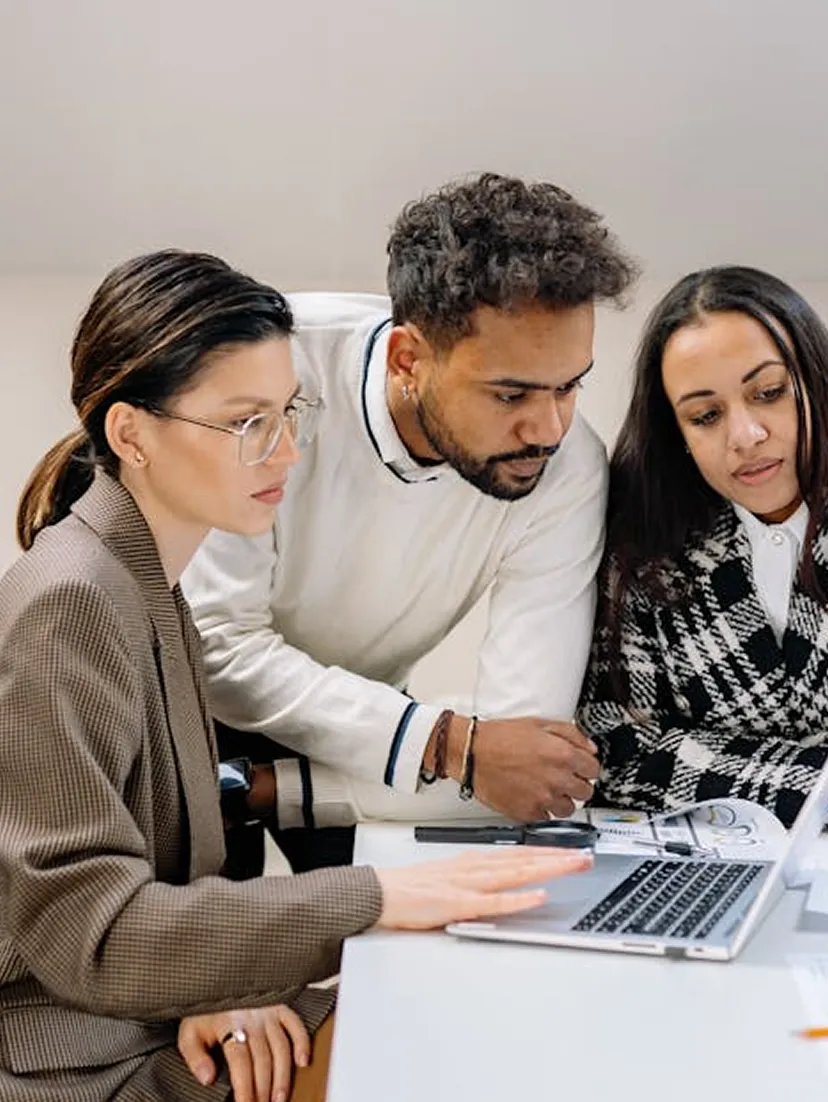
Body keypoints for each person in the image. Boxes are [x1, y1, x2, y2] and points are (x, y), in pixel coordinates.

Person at [0, 249, 593, 1102]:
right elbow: (86, 932)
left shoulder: (145, 583)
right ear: (132, 434)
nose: (287, 452)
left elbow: (157, 894)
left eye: (291, 414)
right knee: (441, 1037)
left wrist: (215, 989)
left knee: (452, 999)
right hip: (73, 1056)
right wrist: (374, 896)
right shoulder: (72, 600)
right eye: (248, 424)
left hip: (146, 1014)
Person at [181, 173, 637, 869]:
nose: (549, 427)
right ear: (408, 359)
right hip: (191, 713)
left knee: (402, 940)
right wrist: (450, 744)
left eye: (571, 384)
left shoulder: (568, 466)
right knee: (205, 957)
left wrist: (447, 750)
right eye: (510, 392)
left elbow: (520, 756)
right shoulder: (271, 374)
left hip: (377, 723)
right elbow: (218, 650)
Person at [578, 265, 828, 828]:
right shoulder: (646, 552)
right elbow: (617, 748)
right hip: (711, 867)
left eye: (768, 393)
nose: (745, 436)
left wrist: (708, 762)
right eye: (706, 416)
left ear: (814, 380)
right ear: (678, 435)